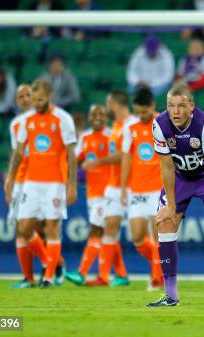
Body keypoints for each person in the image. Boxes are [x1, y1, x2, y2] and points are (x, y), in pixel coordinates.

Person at [147, 85, 204, 307]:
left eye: (180, 106)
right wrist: (170, 206)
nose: (175, 111)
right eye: (170, 106)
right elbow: (167, 166)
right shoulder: (159, 125)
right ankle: (170, 295)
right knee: (166, 224)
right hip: (180, 179)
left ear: (191, 106)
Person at [4, 79, 77, 288]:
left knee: (52, 228)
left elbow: (71, 155)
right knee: (24, 227)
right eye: (34, 100)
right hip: (31, 183)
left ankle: (48, 276)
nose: (36, 103)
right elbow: (18, 152)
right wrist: (10, 178)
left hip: (54, 182)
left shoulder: (62, 119)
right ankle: (50, 263)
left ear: (50, 96)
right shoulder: (27, 121)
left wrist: (71, 185)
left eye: (40, 99)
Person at [83, 90, 136, 287]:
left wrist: (98, 162)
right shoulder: (117, 125)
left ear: (113, 103)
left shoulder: (131, 125)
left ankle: (160, 273)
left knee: (143, 235)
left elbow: (124, 155)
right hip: (113, 186)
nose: (107, 108)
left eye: (108, 104)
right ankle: (104, 277)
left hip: (132, 185)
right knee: (110, 228)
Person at [121, 87, 164, 291]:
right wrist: (123, 187)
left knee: (159, 236)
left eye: (144, 112)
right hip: (137, 189)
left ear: (152, 106)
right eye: (137, 112)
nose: (140, 116)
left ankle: (156, 278)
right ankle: (161, 265)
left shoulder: (164, 124)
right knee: (137, 237)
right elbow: (127, 157)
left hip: (159, 188)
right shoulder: (131, 127)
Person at [64, 104, 111, 286]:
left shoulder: (112, 136)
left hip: (108, 192)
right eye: (94, 114)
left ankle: (81, 272)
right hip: (93, 192)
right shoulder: (85, 137)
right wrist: (71, 183)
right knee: (108, 233)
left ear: (107, 117)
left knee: (96, 230)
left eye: (101, 113)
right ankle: (115, 275)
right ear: (89, 118)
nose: (98, 116)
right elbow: (73, 160)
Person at [8, 84, 45, 289]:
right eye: (20, 95)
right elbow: (16, 155)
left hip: (41, 182)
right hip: (22, 181)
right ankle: (28, 278)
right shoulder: (15, 124)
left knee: (39, 228)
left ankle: (52, 267)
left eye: (28, 94)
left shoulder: (45, 118)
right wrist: (10, 180)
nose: (24, 98)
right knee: (20, 228)